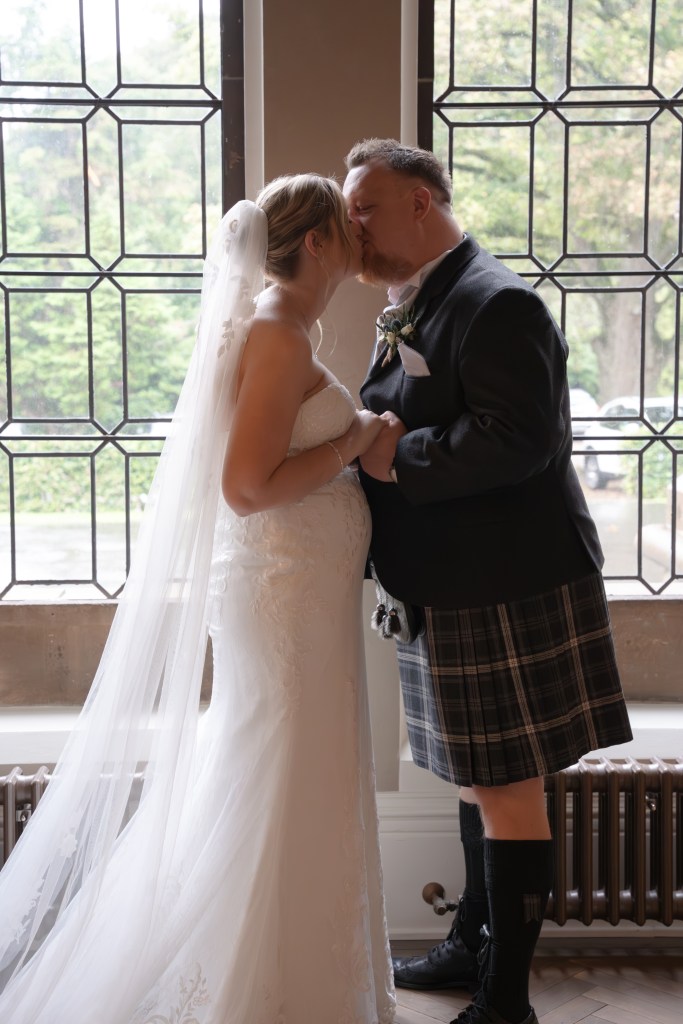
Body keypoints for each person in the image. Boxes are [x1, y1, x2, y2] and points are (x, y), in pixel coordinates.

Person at [0, 175, 395, 1023]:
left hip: (296, 593)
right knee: (279, 770)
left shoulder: (283, 326)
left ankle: (300, 977)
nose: (360, 236)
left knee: (285, 770)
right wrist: (355, 439)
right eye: (347, 222)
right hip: (283, 595)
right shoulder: (276, 331)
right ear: (316, 241)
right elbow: (246, 488)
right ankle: (256, 989)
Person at [343, 139, 633, 1024]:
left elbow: (520, 439)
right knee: (475, 779)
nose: (353, 227)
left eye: (366, 208)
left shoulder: (495, 300)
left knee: (506, 787)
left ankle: (506, 1001)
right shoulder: (421, 299)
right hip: (449, 580)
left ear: (420, 202)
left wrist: (396, 458)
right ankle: (475, 943)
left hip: (504, 584)